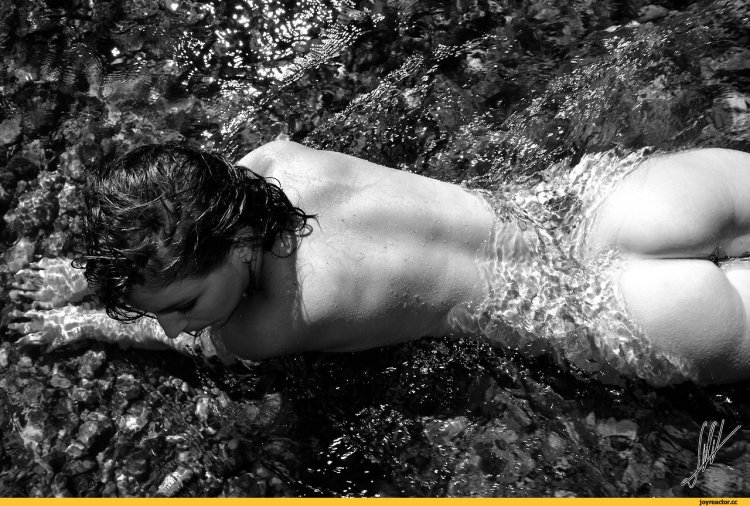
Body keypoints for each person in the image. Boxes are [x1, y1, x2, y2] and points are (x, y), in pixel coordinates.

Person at [65, 140, 750, 384]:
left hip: (617, 314)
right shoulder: (277, 159)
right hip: (617, 206)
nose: (172, 326)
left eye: (183, 305)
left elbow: (193, 346)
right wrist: (125, 274)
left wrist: (88, 323)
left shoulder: (266, 327)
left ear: (240, 245)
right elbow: (184, 203)